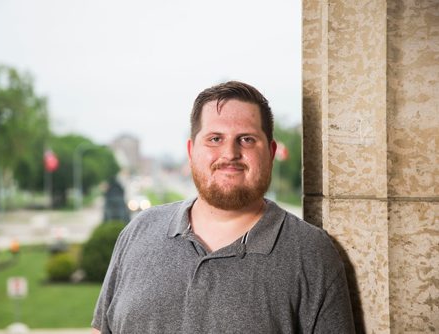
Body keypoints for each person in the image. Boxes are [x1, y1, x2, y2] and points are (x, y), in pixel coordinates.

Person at [91, 81, 355, 333]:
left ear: (271, 152)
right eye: (215, 139)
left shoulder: (311, 253)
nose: (230, 153)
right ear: (192, 150)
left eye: (247, 139)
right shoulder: (139, 231)